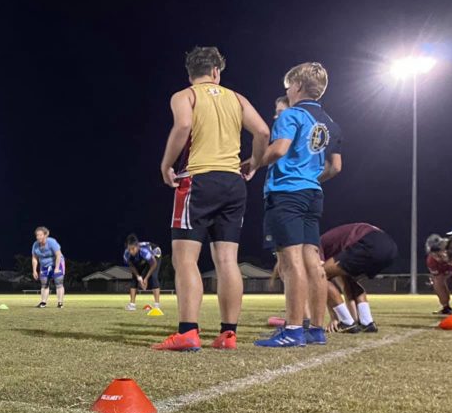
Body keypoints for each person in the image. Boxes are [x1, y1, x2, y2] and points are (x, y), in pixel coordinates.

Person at [155, 46, 269, 351]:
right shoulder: (237, 98)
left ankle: (188, 332)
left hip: (198, 180)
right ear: (217, 71)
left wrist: (166, 164)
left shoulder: (186, 96)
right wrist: (254, 163)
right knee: (227, 260)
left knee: (185, 259)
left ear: (190, 73)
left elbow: (183, 126)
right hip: (233, 182)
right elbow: (262, 131)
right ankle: (227, 334)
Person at [254, 63, 342, 348]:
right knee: (311, 262)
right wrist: (310, 178)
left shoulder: (291, 114)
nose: (288, 91)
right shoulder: (330, 122)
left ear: (298, 86)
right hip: (312, 194)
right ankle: (316, 329)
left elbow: (278, 149)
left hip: (287, 193)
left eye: (289, 87)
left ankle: (292, 329)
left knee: (290, 263)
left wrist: (254, 162)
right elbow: (335, 167)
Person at [319, 223, 399, 333]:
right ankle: (366, 322)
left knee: (318, 276)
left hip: (370, 242)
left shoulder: (317, 245)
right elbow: (345, 285)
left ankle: (346, 321)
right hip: (389, 248)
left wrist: (334, 317)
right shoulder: (337, 248)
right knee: (349, 281)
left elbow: (321, 278)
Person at [425, 234, 452, 315]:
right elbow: (439, 280)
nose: (437, 258)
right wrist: (444, 302)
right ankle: (446, 307)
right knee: (437, 281)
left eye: (439, 254)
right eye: (434, 254)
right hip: (449, 266)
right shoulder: (431, 260)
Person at [123, 234, 162, 313]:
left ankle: (157, 305)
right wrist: (138, 277)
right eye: (129, 249)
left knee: (153, 277)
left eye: (133, 249)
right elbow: (132, 266)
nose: (131, 251)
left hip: (155, 254)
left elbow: (153, 264)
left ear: (137, 246)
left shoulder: (144, 251)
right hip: (144, 259)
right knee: (134, 278)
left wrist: (146, 278)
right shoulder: (126, 254)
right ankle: (132, 305)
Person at [31, 227, 65, 309]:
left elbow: (58, 255)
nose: (38, 237)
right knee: (44, 283)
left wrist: (57, 268)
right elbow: (34, 258)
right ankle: (43, 302)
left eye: (40, 235)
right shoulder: (35, 245)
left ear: (45, 235)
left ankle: (60, 303)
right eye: (37, 235)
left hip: (57, 263)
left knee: (58, 282)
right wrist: (34, 270)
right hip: (44, 265)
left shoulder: (51, 242)